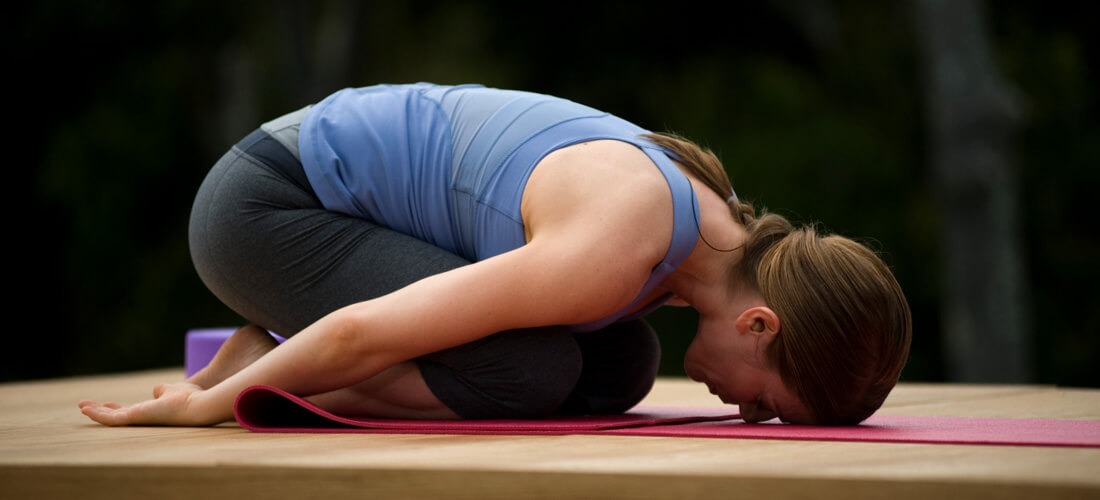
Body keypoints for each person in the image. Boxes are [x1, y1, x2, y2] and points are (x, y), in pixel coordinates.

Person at [79, 82, 912, 427]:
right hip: (264, 210)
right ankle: (262, 355)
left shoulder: (714, 235)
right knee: (531, 373)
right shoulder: (619, 242)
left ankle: (275, 346)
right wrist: (206, 408)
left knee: (621, 365)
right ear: (761, 322)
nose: (746, 414)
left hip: (320, 206)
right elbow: (373, 329)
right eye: (767, 402)